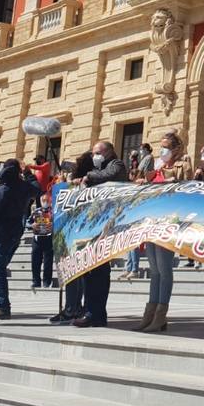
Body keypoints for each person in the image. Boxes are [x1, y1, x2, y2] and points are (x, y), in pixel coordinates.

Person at [135, 131, 193, 333]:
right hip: (152, 221)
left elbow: (188, 190)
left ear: (176, 149)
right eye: (161, 146)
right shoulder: (156, 166)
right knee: (155, 271)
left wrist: (170, 183)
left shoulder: (183, 166)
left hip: (169, 222)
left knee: (165, 270)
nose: (163, 150)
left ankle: (161, 314)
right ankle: (150, 312)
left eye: (166, 146)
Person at [74, 140, 128, 328]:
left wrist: (88, 175)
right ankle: (90, 310)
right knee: (90, 271)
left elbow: (110, 175)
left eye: (97, 152)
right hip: (94, 225)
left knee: (99, 272)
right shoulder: (98, 169)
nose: (94, 156)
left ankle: (96, 313)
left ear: (108, 152)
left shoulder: (117, 165)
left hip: (107, 226)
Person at [0, 158, 40, 320]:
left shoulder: (1, 191)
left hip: (0, 234)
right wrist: (28, 173)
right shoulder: (24, 187)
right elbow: (37, 188)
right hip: (16, 232)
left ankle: (2, 305)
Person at [49, 150, 95, 324]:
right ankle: (73, 306)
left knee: (73, 273)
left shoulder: (84, 185)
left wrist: (65, 186)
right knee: (76, 274)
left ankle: (71, 308)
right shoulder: (79, 184)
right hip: (77, 232)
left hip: (76, 233)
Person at [29, 193, 54, 289]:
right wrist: (32, 226)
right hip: (37, 239)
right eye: (43, 200)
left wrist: (53, 226)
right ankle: (36, 281)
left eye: (47, 200)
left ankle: (47, 282)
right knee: (35, 261)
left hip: (48, 238)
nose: (45, 202)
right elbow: (29, 222)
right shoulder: (36, 211)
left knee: (48, 262)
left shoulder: (53, 212)